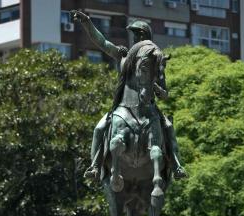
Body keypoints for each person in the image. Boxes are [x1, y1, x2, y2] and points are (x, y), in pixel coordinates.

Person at [71, 10, 187, 182]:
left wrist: (160, 91)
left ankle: (177, 166)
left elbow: (164, 91)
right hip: (123, 108)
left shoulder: (154, 58)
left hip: (148, 108)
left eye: (134, 34)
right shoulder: (123, 55)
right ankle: (95, 166)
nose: (132, 39)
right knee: (99, 128)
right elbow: (102, 42)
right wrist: (87, 22)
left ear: (142, 35)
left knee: (169, 128)